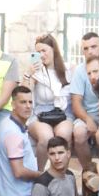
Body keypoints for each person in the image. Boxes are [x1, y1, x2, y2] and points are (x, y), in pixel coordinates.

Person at [27, 33, 73, 161]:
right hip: (40, 113)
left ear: (53, 50)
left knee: (63, 135)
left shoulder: (67, 70)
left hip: (62, 112)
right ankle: (39, 171)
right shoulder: (36, 73)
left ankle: (62, 170)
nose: (41, 55)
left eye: (44, 50)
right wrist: (28, 74)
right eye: (38, 52)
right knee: (46, 137)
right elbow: (25, 92)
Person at [68, 32, 99, 169]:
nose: (90, 51)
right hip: (87, 115)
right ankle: (88, 171)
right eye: (85, 48)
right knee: (79, 133)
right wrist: (88, 120)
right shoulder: (80, 71)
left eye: (93, 46)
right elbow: (76, 103)